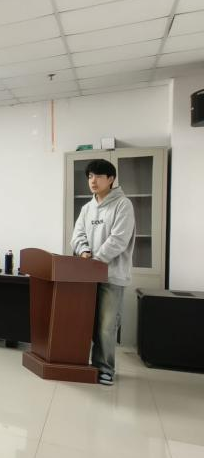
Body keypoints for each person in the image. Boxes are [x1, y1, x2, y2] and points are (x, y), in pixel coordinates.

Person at [71, 159, 135, 386]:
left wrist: (96, 261)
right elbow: (77, 235)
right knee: (85, 321)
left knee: (106, 326)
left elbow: (118, 239)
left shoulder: (123, 205)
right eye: (90, 176)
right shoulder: (87, 208)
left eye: (98, 176)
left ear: (111, 179)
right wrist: (84, 250)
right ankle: (83, 363)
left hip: (112, 275)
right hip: (88, 276)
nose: (93, 181)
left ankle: (105, 368)